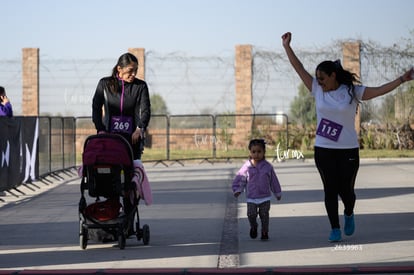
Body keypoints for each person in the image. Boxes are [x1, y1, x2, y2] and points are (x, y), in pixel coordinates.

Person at [281, 32, 414, 242]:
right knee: (330, 189)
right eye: (318, 79)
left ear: (333, 75)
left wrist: (401, 80)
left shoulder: (352, 92)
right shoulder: (317, 90)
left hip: (348, 150)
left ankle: (349, 212)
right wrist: (287, 46)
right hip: (323, 149)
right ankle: (334, 228)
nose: (319, 82)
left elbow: (379, 91)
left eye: (322, 78)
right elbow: (298, 68)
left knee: (347, 191)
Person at [92, 52, 151, 160]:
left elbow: (146, 110)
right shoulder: (104, 84)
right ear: (119, 68)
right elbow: (96, 107)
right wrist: (100, 129)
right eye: (130, 70)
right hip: (109, 136)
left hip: (132, 137)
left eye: (136, 70)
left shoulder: (141, 86)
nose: (133, 74)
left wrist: (140, 128)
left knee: (132, 171)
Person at [232, 139, 282, 240]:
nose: (256, 154)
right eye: (254, 152)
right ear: (250, 152)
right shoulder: (247, 166)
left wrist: (277, 193)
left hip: (265, 197)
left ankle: (264, 231)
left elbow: (273, 181)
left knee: (264, 216)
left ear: (264, 152)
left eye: (259, 151)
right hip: (251, 197)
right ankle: (253, 226)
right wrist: (237, 189)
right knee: (251, 214)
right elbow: (240, 178)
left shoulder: (268, 167)